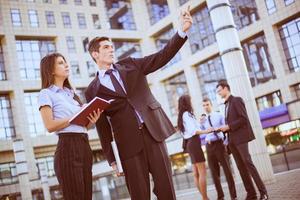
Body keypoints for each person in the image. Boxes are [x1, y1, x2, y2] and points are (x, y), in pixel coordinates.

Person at [84, 6, 193, 200]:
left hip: (153, 134)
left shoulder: (131, 64)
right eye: (106, 47)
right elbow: (102, 128)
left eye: (111, 46)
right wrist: (112, 160)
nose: (111, 50)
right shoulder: (92, 90)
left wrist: (181, 31)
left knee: (166, 190)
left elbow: (161, 57)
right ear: (95, 54)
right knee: (139, 194)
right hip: (127, 146)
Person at [38, 53, 101, 200]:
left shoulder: (71, 95)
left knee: (87, 196)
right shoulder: (46, 94)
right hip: (67, 147)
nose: (66, 65)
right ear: (51, 70)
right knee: (75, 196)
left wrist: (92, 119)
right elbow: (49, 125)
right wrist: (76, 115)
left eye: (65, 62)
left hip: (84, 144)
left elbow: (82, 124)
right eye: (61, 63)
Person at [216, 80, 269, 200]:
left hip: (241, 138)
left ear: (225, 88)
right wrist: (225, 130)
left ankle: (263, 192)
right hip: (232, 140)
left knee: (248, 163)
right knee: (241, 168)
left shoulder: (236, 100)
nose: (218, 93)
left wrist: (228, 126)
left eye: (219, 90)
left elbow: (243, 118)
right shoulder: (225, 105)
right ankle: (251, 194)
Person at [200, 97, 237, 200]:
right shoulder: (203, 119)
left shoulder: (219, 115)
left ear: (211, 104)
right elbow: (202, 132)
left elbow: (226, 129)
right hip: (209, 146)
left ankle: (233, 196)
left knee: (227, 171)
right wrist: (201, 123)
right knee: (214, 173)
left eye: (207, 104)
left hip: (220, 144)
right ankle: (220, 196)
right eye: (204, 105)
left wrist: (225, 142)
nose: (206, 107)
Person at [177, 95, 211, 200]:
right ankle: (205, 198)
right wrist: (207, 131)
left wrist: (200, 122)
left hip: (190, 144)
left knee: (196, 173)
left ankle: (204, 197)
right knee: (202, 172)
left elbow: (194, 128)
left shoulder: (184, 115)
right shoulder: (187, 114)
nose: (191, 102)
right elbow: (194, 131)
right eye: (190, 100)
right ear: (187, 102)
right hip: (194, 143)